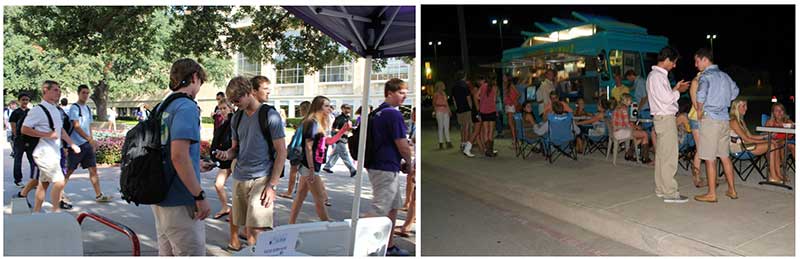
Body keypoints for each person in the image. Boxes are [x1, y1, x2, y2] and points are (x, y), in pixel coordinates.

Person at [150, 59, 216, 255]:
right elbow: (178, 156)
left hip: (160, 196)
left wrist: (195, 163)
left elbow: (166, 150)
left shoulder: (162, 107)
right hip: (180, 199)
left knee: (167, 253)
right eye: (200, 82)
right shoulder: (186, 107)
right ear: (194, 77)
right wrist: (199, 195)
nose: (199, 88)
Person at [215, 75, 287, 251]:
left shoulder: (269, 115)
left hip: (261, 178)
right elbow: (235, 149)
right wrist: (226, 154)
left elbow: (281, 152)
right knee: (242, 225)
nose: (234, 105)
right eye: (232, 101)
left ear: (249, 93)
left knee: (256, 230)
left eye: (237, 100)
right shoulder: (236, 118)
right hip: (240, 177)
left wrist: (272, 185)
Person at [365, 78, 412, 256]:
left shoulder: (377, 113)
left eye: (405, 92)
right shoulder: (393, 114)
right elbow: (401, 144)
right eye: (401, 92)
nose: (404, 96)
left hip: (382, 165)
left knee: (392, 207)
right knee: (379, 209)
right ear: (389, 93)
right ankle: (356, 239)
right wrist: (408, 162)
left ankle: (389, 245)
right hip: (384, 167)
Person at [288, 96, 351, 224]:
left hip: (312, 165)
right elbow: (308, 147)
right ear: (318, 107)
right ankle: (327, 222)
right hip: (309, 165)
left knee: (301, 195)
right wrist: (311, 169)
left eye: (329, 105)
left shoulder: (320, 123)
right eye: (326, 106)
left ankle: (291, 223)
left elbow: (328, 141)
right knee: (319, 198)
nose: (329, 108)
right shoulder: (312, 122)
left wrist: (342, 131)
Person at [21, 81, 82, 213]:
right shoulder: (37, 110)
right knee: (59, 182)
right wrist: (47, 134)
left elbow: (60, 131)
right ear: (45, 90)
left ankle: (36, 212)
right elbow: (24, 129)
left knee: (44, 184)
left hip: (54, 153)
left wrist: (72, 144)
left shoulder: (55, 109)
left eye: (59, 90)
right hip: (44, 153)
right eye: (55, 90)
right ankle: (56, 212)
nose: (58, 92)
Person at [693, 48, 740, 203]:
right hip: (724, 120)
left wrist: (700, 110)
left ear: (705, 59)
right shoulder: (725, 76)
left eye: (697, 61)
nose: (696, 64)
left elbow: (701, 94)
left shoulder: (706, 76)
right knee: (725, 156)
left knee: (709, 158)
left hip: (711, 120)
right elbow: (735, 92)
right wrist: (723, 99)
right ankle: (732, 190)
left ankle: (712, 193)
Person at [646, 46, 690, 203]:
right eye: (674, 62)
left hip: (661, 118)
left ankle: (661, 189)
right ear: (667, 60)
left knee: (662, 155)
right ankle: (670, 192)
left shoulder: (655, 76)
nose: (675, 65)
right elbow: (666, 99)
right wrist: (679, 91)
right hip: (665, 119)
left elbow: (663, 97)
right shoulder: (658, 76)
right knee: (669, 157)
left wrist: (675, 88)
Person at [64, 84, 113, 206]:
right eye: (83, 92)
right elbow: (76, 126)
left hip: (86, 144)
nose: (85, 95)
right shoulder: (74, 108)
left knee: (93, 170)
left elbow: (89, 126)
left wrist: (92, 140)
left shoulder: (87, 109)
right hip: (76, 145)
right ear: (78, 93)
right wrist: (89, 139)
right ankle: (59, 194)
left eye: (87, 93)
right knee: (69, 170)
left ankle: (99, 195)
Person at [729, 100, 774, 180]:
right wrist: (767, 141)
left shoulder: (741, 120)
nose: (746, 108)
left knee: (773, 143)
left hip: (745, 145)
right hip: (738, 150)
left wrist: (766, 136)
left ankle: (776, 174)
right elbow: (747, 139)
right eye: (743, 106)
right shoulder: (733, 121)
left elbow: (750, 136)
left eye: (746, 106)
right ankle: (773, 175)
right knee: (772, 145)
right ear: (736, 107)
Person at [279, 101, 311, 199]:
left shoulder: (305, 122)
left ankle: (289, 191)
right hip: (303, 149)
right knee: (307, 173)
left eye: (301, 109)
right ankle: (322, 196)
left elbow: (298, 138)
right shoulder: (310, 121)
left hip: (298, 149)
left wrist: (290, 148)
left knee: (294, 171)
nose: (300, 111)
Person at [211, 98, 235, 220]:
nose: (222, 111)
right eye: (220, 108)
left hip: (234, 158)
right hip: (224, 159)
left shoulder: (234, 121)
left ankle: (235, 213)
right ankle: (226, 207)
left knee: (238, 188)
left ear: (231, 108)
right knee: (218, 184)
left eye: (224, 108)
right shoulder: (223, 123)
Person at [613, 94, 651, 163]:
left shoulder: (618, 108)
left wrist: (634, 126)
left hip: (617, 131)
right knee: (644, 134)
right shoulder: (624, 109)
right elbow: (627, 124)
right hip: (621, 132)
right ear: (626, 100)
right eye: (630, 100)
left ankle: (629, 154)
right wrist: (636, 126)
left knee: (641, 135)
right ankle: (645, 158)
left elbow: (625, 122)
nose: (631, 101)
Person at [323, 104, 358, 177]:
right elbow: (333, 129)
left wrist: (351, 129)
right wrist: (341, 132)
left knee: (336, 153)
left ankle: (327, 166)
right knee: (344, 154)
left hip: (345, 138)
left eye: (349, 108)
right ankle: (352, 169)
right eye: (346, 108)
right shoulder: (339, 118)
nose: (347, 110)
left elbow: (348, 128)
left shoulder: (348, 118)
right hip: (339, 139)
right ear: (342, 109)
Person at [765, 102, 794, 183]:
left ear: (784, 112)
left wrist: (792, 127)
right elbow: (766, 136)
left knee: (793, 146)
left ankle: (782, 170)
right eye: (776, 110)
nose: (779, 112)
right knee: (779, 145)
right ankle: (781, 171)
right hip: (774, 146)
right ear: (773, 113)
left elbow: (791, 135)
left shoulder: (788, 121)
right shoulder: (770, 122)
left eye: (781, 110)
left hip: (785, 143)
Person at [687, 70, 706, 187]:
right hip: (696, 118)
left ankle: (700, 176)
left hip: (706, 118)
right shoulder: (696, 82)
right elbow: (695, 104)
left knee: (703, 149)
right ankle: (697, 177)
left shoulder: (706, 82)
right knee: (701, 149)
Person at [10, 93, 33, 187]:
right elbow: (13, 126)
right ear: (19, 101)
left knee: (32, 160)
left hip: (30, 139)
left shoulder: (30, 112)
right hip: (19, 139)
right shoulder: (15, 112)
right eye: (23, 99)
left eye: (27, 100)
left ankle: (33, 179)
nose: (25, 102)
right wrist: (17, 137)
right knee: (18, 160)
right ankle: (18, 180)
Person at [452, 71, 474, 152]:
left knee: (462, 126)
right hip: (466, 108)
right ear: (464, 77)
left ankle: (462, 142)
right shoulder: (465, 85)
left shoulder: (454, 87)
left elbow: (454, 99)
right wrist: (471, 107)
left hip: (459, 109)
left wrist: (456, 107)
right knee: (467, 125)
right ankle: (466, 142)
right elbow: (468, 97)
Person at [463, 80, 485, 158]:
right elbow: (476, 100)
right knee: (476, 131)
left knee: (479, 131)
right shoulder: (476, 89)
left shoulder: (475, 89)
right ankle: (467, 148)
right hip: (477, 112)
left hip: (476, 112)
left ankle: (482, 148)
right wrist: (479, 112)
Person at [478, 79, 499, 157]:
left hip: (483, 111)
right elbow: (494, 100)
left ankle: (487, 151)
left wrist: (483, 100)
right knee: (491, 131)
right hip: (491, 110)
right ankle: (490, 151)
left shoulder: (483, 86)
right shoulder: (495, 88)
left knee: (486, 131)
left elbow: (477, 96)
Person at [433, 81, 452, 149]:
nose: (444, 86)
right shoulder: (436, 94)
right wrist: (434, 111)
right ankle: (441, 142)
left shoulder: (444, 93)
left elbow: (446, 102)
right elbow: (434, 103)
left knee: (446, 126)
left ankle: (448, 141)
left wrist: (449, 110)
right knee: (440, 127)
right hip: (439, 110)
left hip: (445, 109)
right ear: (440, 86)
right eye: (443, 85)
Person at [503, 78, 521, 150]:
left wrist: (513, 101)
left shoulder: (511, 85)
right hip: (508, 106)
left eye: (505, 77)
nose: (504, 79)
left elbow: (518, 94)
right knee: (511, 124)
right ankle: (515, 140)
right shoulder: (507, 86)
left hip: (511, 106)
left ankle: (515, 141)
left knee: (511, 124)